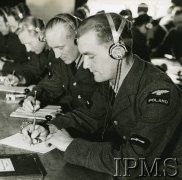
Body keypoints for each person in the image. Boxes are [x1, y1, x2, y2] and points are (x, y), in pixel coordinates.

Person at [22, 12, 182, 178]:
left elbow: (132, 162)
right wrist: (50, 127)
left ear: (118, 51)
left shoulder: (159, 92)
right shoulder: (112, 80)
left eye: (90, 56)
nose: (86, 64)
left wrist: (71, 145)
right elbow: (89, 116)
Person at [22, 13, 98, 112]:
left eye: (60, 47)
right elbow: (50, 86)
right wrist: (33, 97)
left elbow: (96, 115)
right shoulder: (64, 63)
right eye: (53, 48)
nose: (57, 55)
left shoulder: (96, 67)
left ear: (77, 39)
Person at [0, 7, 28, 74]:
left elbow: (29, 67)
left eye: (0, 25)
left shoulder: (19, 38)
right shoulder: (12, 37)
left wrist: (3, 65)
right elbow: (8, 54)